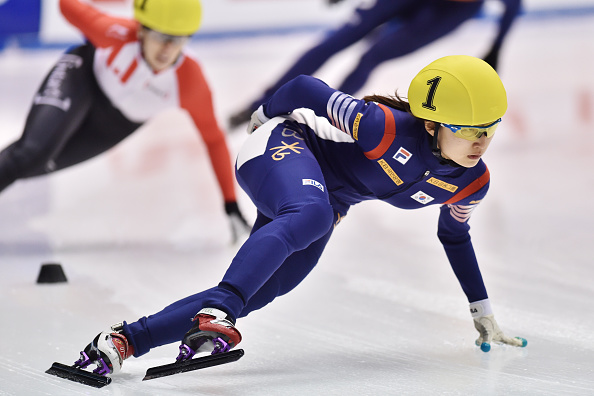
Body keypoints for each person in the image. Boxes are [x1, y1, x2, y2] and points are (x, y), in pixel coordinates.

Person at [73, 55, 526, 377]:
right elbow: (305, 89)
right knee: (312, 218)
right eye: (467, 130)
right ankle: (220, 308)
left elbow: (455, 237)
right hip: (284, 145)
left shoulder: (470, 183)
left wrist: (480, 309)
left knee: (270, 286)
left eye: (488, 129)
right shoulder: (382, 126)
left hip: (320, 195)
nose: (480, 141)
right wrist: (262, 115)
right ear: (431, 122)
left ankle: (122, 341)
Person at [0, 0, 250, 240]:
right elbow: (67, 5)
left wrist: (231, 205)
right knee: (31, 153)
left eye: (177, 40)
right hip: (81, 78)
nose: (167, 49)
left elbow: (214, 140)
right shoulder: (115, 32)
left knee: (31, 163)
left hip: (112, 126)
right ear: (141, 30)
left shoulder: (189, 82)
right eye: (161, 36)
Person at [228, 0, 522, 128]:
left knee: (371, 56)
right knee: (339, 40)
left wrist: (496, 47)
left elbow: (513, 4)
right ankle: (261, 102)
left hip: (451, 9)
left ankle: (325, 114)